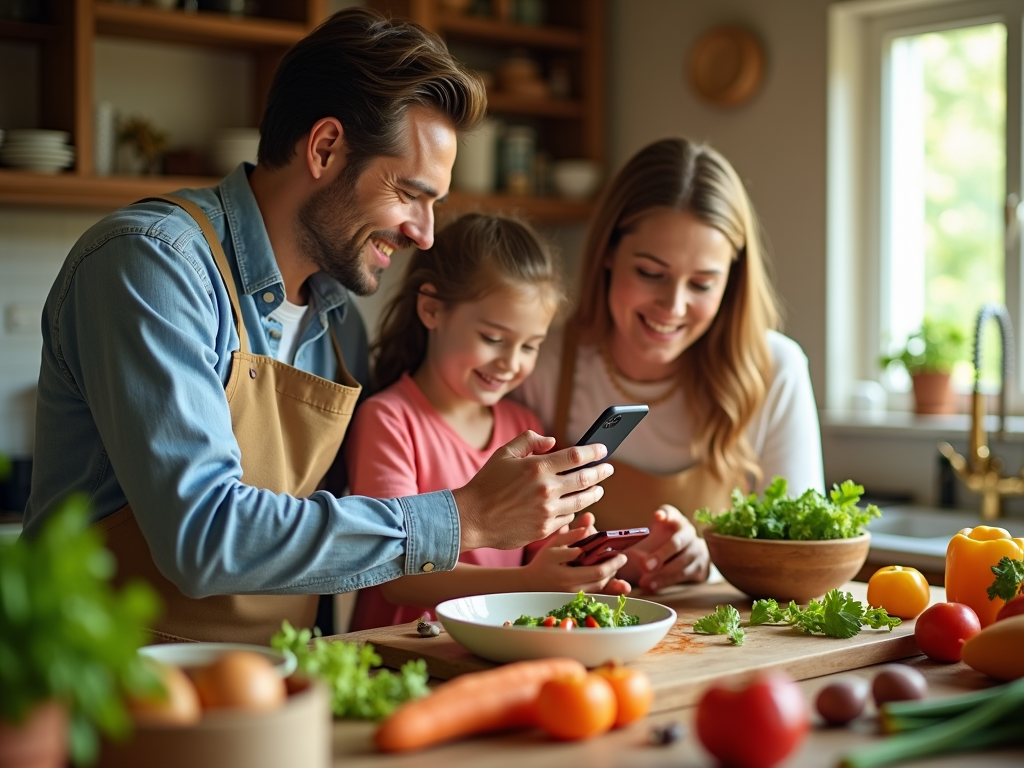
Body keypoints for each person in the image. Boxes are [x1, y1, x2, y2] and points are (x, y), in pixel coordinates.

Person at [21, 8, 613, 645]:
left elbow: (334, 544)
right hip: (101, 699)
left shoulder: (337, 323)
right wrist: (463, 518)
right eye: (410, 193)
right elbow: (203, 538)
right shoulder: (151, 265)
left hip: (271, 691)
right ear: (325, 148)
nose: (424, 232)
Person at [516, 137, 825, 593]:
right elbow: (501, 544)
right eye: (651, 273)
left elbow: (801, 555)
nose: (672, 306)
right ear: (607, 253)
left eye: (702, 284)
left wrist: (710, 563)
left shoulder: (775, 369)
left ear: (731, 281)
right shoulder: (540, 359)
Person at [344, 213, 630, 630]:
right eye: (493, 339)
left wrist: (571, 557)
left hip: (496, 647)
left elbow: (537, 553)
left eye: (530, 346)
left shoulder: (524, 424)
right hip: (407, 653)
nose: (511, 363)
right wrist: (528, 583)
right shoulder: (390, 420)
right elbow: (397, 577)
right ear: (431, 310)